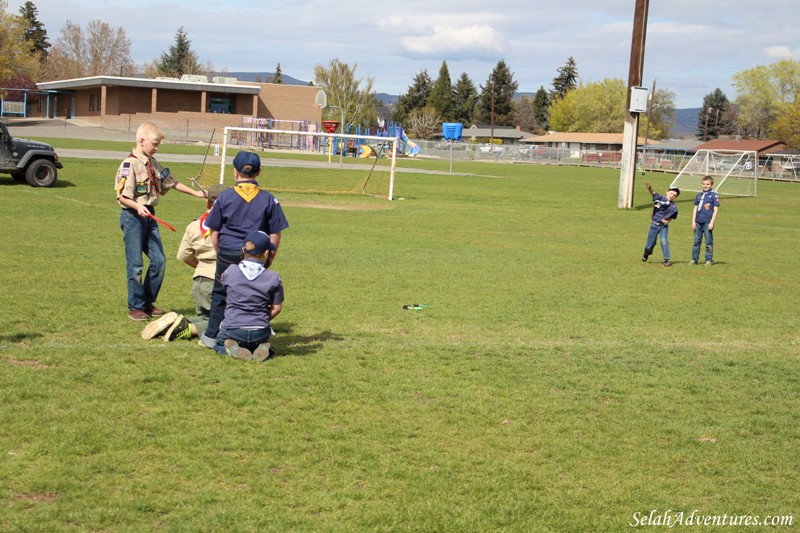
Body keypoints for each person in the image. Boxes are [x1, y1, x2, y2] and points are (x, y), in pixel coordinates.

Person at [116, 121, 206, 321]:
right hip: (133, 217)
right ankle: (135, 307)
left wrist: (196, 194)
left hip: (150, 216)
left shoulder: (153, 164)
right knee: (135, 265)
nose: (156, 148)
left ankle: (147, 301)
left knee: (159, 261)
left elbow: (172, 182)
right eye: (154, 144)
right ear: (141, 141)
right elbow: (122, 196)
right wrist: (138, 206)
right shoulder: (129, 165)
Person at [199, 151, 289, 349]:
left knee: (221, 293)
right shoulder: (268, 199)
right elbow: (275, 231)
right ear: (258, 172)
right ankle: (255, 328)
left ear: (235, 172)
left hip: (228, 250)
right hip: (257, 253)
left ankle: (213, 335)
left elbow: (213, 229)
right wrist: (270, 255)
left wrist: (219, 250)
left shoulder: (224, 197)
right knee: (255, 293)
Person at [139, 183, 228, 341]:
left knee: (206, 318)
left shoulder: (194, 226)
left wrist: (200, 265)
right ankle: (186, 329)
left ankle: (171, 323)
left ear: (207, 202)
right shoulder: (233, 227)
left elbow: (184, 255)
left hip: (199, 281)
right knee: (226, 323)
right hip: (219, 281)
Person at [215, 230, 284, 362]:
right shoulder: (273, 278)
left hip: (233, 328)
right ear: (266, 253)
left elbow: (224, 290)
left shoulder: (230, 271)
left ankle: (231, 350)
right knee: (256, 340)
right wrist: (261, 319)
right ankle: (261, 349)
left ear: (243, 250)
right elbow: (277, 308)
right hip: (260, 331)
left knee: (218, 344)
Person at [641, 181, 680, 267]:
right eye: (671, 193)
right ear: (667, 192)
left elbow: (672, 217)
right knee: (650, 244)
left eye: (674, 195)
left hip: (663, 227)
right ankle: (646, 253)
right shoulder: (660, 198)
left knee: (664, 240)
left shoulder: (673, 207)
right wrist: (649, 188)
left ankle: (667, 260)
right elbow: (653, 193)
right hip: (654, 225)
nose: (672, 196)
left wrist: (668, 220)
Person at [690, 175, 720, 265]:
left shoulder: (714, 196)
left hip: (707, 222)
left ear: (712, 185)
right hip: (698, 222)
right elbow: (695, 208)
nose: (705, 186)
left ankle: (708, 260)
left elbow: (715, 210)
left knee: (708, 242)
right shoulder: (699, 195)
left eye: (707, 184)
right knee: (696, 242)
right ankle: (694, 259)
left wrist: (712, 222)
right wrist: (693, 221)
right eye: (704, 184)